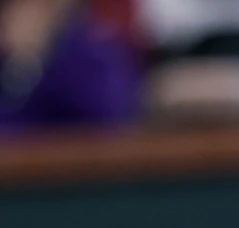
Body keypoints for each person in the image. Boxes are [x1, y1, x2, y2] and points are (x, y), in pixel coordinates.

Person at [0, 0, 141, 135]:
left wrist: (36, 55)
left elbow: (111, 114)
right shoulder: (10, 60)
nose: (7, 19)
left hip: (74, 155)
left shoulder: (93, 54)